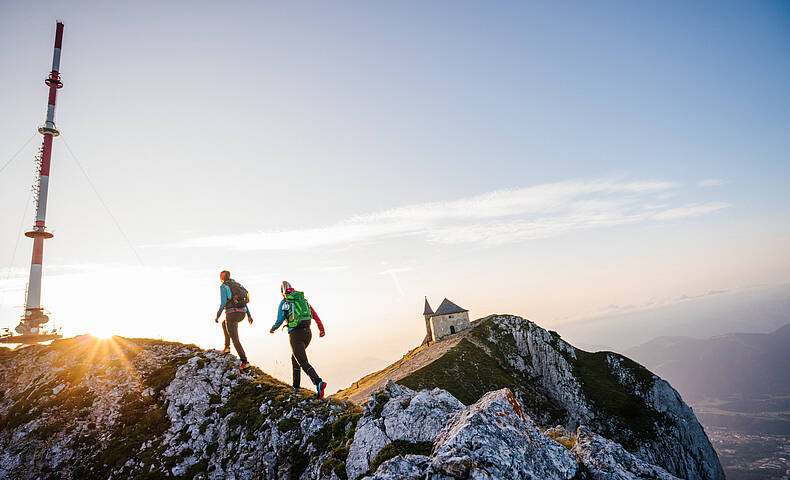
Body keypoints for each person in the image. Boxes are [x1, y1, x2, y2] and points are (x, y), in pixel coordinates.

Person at [270, 280, 327, 398]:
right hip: (308, 333)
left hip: (296, 335)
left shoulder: (285, 301)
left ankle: (318, 382)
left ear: (282, 291)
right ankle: (296, 387)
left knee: (303, 361)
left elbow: (280, 319)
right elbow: (315, 315)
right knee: (295, 357)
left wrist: (273, 328)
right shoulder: (302, 300)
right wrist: (321, 329)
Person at [215, 270, 253, 370]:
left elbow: (223, 303)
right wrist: (249, 315)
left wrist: (218, 315)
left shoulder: (224, 286)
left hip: (232, 314)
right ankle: (227, 347)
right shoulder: (237, 285)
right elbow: (244, 303)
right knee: (224, 324)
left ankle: (245, 361)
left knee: (235, 339)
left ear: (222, 277)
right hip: (242, 314)